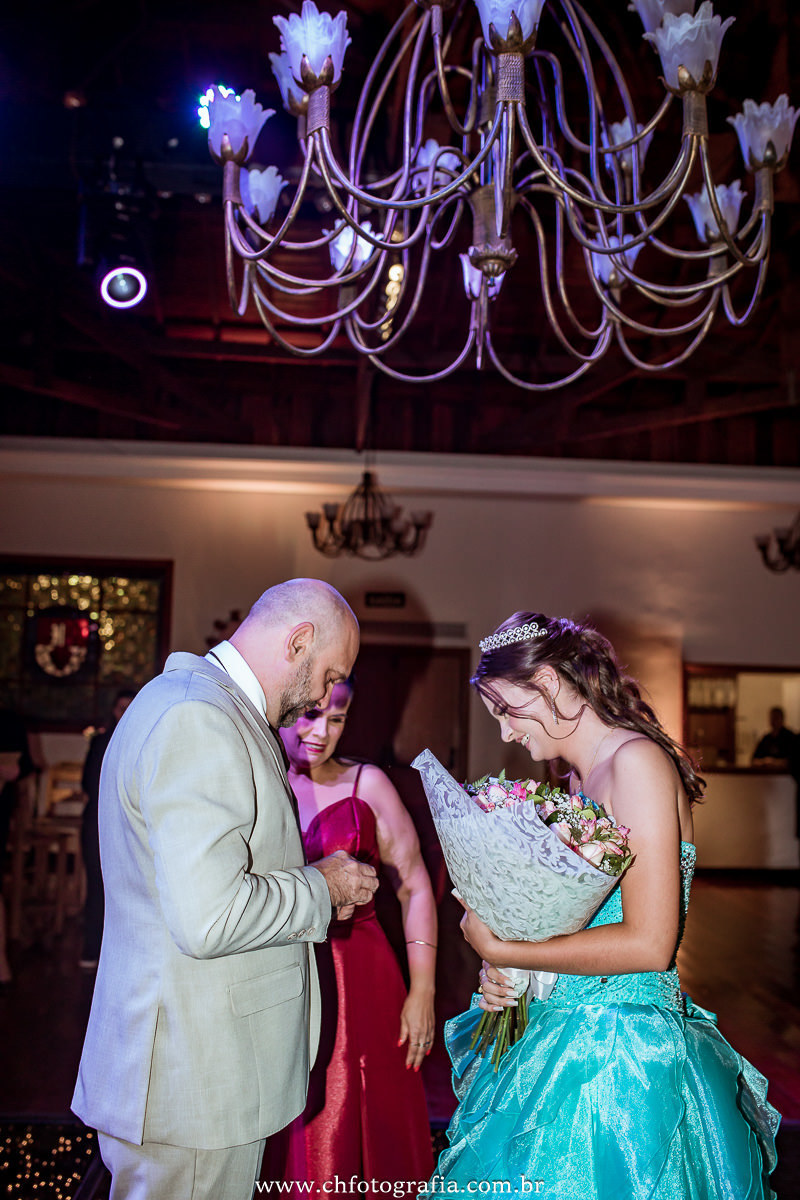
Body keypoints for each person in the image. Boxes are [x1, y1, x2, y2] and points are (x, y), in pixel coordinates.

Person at [432, 613, 780, 1199]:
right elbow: (571, 923)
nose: (503, 732)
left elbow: (650, 943)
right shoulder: (576, 782)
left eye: (504, 708)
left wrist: (503, 945)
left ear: (546, 682)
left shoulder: (635, 764)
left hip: (621, 1058)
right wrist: (516, 973)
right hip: (562, 1028)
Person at [71, 578, 379, 1200]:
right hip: (191, 1079)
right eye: (328, 675)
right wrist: (321, 887)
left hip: (193, 1063)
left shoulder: (198, 704)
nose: (324, 697)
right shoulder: (198, 719)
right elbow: (209, 916)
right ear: (298, 641)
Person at [265, 679, 436, 1190]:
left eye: (336, 719)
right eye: (310, 715)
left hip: (361, 974)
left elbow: (414, 887)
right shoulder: (257, 781)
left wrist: (423, 989)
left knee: (358, 1110)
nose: (321, 732)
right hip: (277, 967)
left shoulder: (369, 784)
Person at [78, 687, 137, 970]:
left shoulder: (142, 739)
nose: (124, 714)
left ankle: (122, 956)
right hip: (97, 824)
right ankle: (91, 948)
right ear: (113, 711)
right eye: (120, 708)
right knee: (96, 887)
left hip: (131, 825)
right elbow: (88, 784)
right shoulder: (101, 741)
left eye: (130, 707)